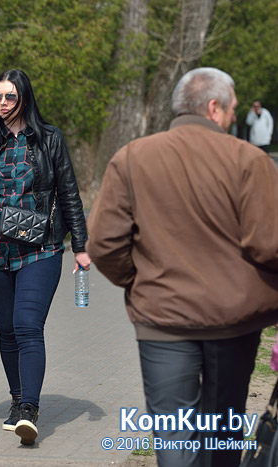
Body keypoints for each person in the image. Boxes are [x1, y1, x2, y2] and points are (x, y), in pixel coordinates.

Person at [86, 68, 278, 467]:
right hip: (234, 324)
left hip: (162, 322)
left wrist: (139, 282)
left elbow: (104, 245)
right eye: (231, 109)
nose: (232, 117)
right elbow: (269, 245)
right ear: (213, 108)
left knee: (173, 436)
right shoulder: (249, 160)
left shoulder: (131, 158)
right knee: (224, 431)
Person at [0, 69, 90, 445]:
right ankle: (17, 400)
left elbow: (69, 192)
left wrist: (80, 246)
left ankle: (30, 410)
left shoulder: (50, 139)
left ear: (24, 99)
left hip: (42, 248)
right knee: (6, 330)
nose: (3, 104)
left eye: (10, 97)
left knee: (27, 326)